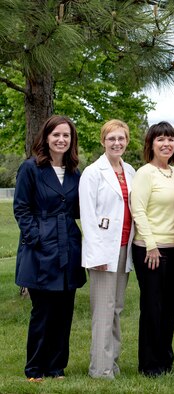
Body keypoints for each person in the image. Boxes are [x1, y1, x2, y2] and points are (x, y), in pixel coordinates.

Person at [13, 115, 86, 382]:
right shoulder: (30, 168)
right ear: (46, 137)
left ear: (71, 140)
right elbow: (21, 208)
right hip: (40, 248)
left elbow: (80, 209)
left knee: (64, 312)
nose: (61, 139)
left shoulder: (75, 172)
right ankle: (34, 369)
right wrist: (36, 236)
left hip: (68, 246)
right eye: (56, 134)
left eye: (66, 135)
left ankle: (56, 368)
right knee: (42, 313)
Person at [79, 119, 136, 379]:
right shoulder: (93, 172)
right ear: (103, 141)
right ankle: (99, 370)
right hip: (103, 250)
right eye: (111, 139)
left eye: (121, 138)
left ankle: (111, 362)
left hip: (124, 248)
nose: (117, 143)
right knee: (103, 310)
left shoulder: (131, 171)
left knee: (116, 308)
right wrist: (96, 255)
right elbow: (88, 217)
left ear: (127, 141)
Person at [130, 121, 174, 376]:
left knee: (169, 306)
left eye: (170, 139)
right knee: (152, 307)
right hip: (150, 249)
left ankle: (165, 360)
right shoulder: (145, 173)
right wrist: (151, 245)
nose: (166, 144)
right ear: (150, 144)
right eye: (160, 139)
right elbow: (137, 210)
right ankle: (149, 365)